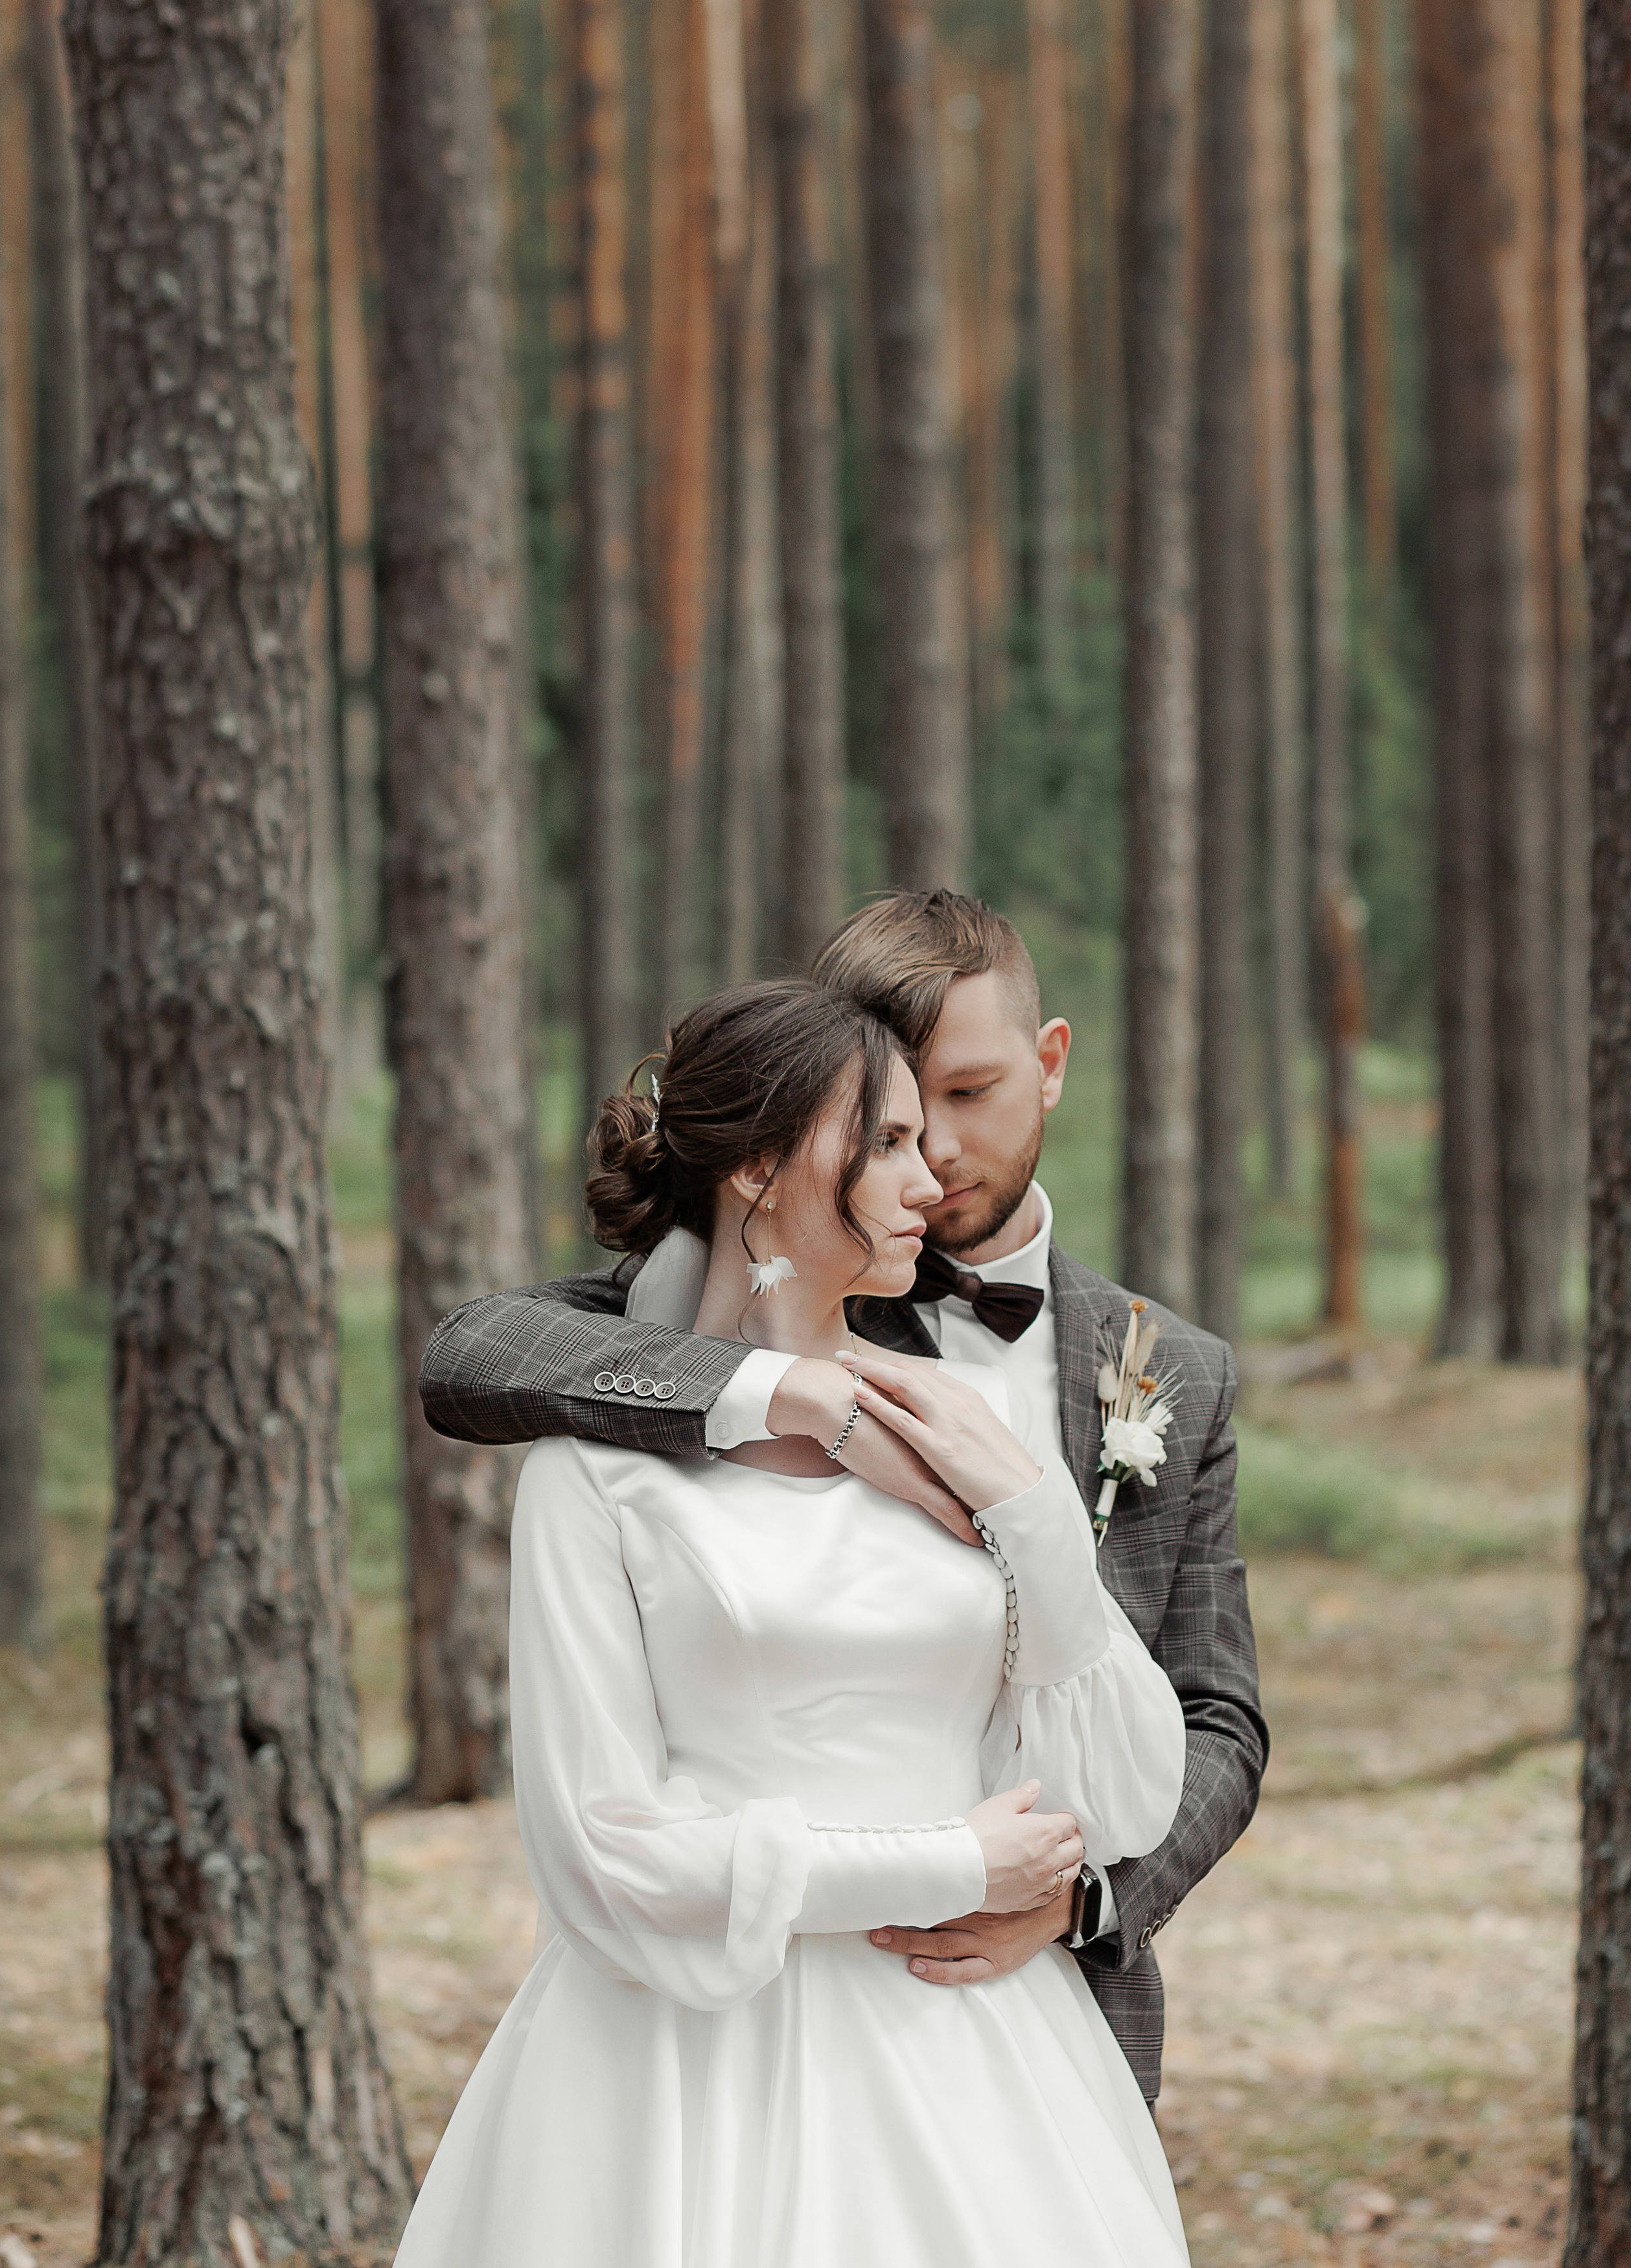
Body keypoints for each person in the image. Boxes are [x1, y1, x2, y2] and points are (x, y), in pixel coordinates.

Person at [420, 892, 1267, 2105]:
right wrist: (793, 1390)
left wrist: (1080, 1902)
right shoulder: (781, 1277)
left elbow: (1216, 1715)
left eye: (969, 1097)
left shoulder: (1171, 1367)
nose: (939, 1160)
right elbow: (477, 1358)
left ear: (1052, 1063)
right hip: (737, 2013)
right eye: (897, 1121)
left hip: (1026, 2016)